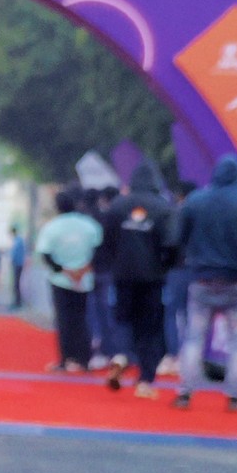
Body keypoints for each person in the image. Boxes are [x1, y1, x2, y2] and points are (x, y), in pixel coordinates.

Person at [169, 154, 237, 411]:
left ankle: (186, 391)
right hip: (235, 282)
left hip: (202, 280)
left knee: (194, 337)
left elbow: (178, 237)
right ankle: (236, 396)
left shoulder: (195, 201)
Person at [104, 157, 174, 393]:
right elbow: (172, 243)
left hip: (123, 275)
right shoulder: (163, 208)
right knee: (149, 327)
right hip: (152, 278)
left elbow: (107, 240)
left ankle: (121, 355)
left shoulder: (117, 206)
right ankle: (145, 378)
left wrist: (116, 263)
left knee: (123, 319)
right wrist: (165, 267)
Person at [35, 190, 100, 370]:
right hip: (84, 279)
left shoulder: (52, 227)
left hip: (60, 280)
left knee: (64, 320)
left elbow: (45, 254)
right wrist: (83, 269)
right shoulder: (89, 225)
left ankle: (65, 359)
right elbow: (99, 250)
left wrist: (65, 270)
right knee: (82, 319)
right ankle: (85, 359)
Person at [9, 222, 27, 308]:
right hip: (18, 264)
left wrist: (11, 260)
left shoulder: (18, 241)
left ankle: (17, 302)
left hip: (17, 264)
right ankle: (16, 301)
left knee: (16, 284)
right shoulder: (18, 240)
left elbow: (14, 253)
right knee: (16, 284)